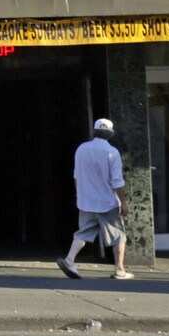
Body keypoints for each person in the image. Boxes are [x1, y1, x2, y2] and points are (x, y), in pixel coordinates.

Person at [57, 118, 130, 281]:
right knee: (118, 235)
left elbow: (76, 175)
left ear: (95, 131)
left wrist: (79, 195)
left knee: (83, 233)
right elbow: (117, 181)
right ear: (111, 134)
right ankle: (120, 269)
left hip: (86, 201)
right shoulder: (112, 152)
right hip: (107, 202)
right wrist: (123, 202)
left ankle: (69, 260)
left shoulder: (81, 149)